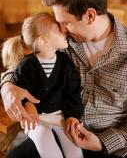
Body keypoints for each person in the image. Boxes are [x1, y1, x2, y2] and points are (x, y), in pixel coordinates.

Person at [1, 0, 127, 158]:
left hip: (112, 144)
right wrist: (6, 86)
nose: (61, 29)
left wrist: (102, 142)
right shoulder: (62, 40)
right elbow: (23, 65)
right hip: (59, 129)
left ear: (90, 15)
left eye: (66, 23)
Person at [9, 12, 84, 158]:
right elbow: (19, 89)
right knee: (46, 143)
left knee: (74, 149)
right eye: (58, 29)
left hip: (60, 117)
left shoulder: (65, 62)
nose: (64, 31)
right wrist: (27, 103)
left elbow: (73, 91)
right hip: (35, 119)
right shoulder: (27, 65)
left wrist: (73, 115)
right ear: (43, 40)